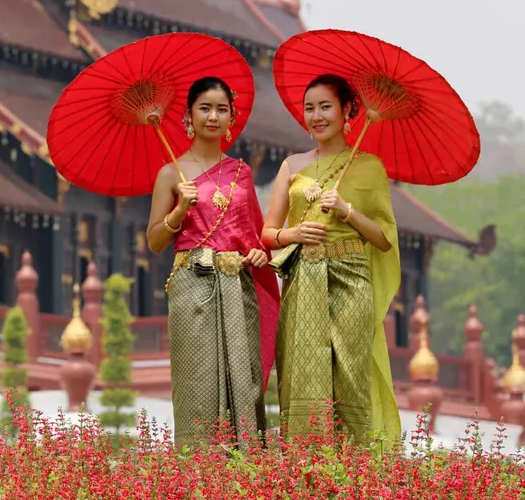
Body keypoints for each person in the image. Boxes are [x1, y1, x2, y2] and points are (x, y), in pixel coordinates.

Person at [261, 73, 400, 447]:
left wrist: (348, 211)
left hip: (351, 280)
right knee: (302, 372)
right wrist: (294, 234)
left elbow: (385, 239)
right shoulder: (292, 166)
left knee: (351, 373)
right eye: (310, 108)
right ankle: (307, 468)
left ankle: (355, 473)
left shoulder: (369, 168)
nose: (316, 116)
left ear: (347, 111)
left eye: (325, 107)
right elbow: (268, 234)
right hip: (303, 278)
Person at [146, 76, 280, 450]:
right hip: (194, 285)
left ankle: (246, 474)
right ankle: (198, 474)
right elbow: (155, 240)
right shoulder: (171, 174)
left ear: (231, 118)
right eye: (204, 108)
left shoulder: (241, 172)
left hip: (240, 286)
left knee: (246, 376)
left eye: (222, 110)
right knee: (198, 379)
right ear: (189, 116)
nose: (213, 117)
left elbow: (254, 235)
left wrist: (257, 254)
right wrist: (179, 211)